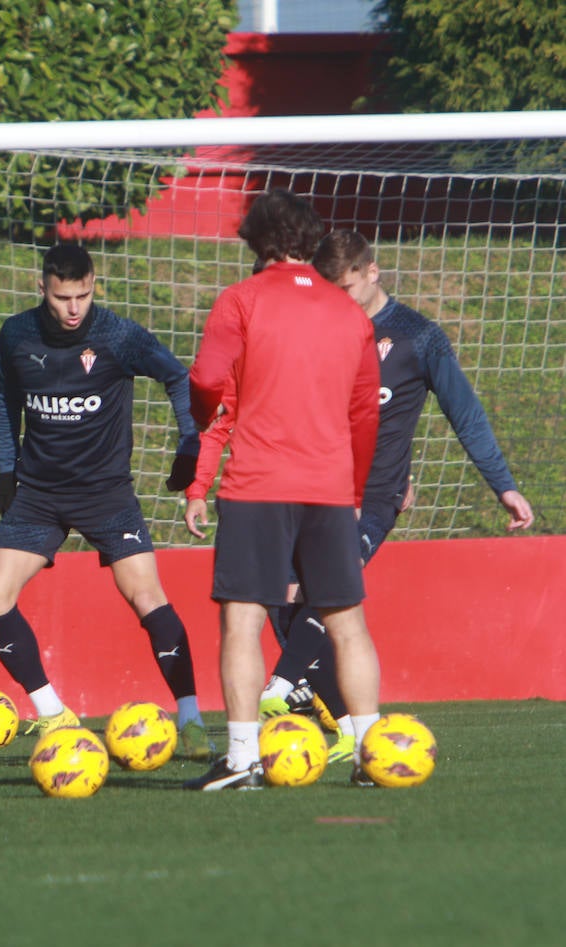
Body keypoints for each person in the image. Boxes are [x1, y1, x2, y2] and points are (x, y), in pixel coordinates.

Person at [248, 229, 535, 740]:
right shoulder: (320, 328)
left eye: (348, 289)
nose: (339, 301)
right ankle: (344, 730)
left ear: (372, 273)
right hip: (310, 486)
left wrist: (503, 485)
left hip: (373, 498)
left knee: (326, 587)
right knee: (283, 596)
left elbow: (464, 414)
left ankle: (280, 686)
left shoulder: (417, 337)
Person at [0, 242, 214, 760]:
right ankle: (53, 712)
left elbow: (178, 377)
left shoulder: (117, 335)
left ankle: (193, 718)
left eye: (83, 295)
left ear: (93, 286)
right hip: (38, 495)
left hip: (107, 495)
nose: (73, 308)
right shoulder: (16, 334)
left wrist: (189, 443)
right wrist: (6, 469)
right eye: (63, 297)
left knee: (147, 597)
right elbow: (5, 400)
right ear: (42, 288)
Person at [184, 189, 382, 791]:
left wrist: (202, 421)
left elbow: (207, 380)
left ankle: (242, 759)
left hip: (258, 485)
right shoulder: (350, 313)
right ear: (312, 241)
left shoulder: (241, 299)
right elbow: (364, 414)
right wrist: (352, 490)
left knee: (243, 620)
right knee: (347, 622)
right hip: (329, 487)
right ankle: (374, 755)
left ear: (256, 241)